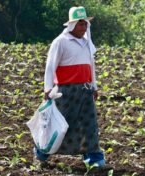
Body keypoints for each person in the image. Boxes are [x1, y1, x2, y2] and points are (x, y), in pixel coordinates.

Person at [34, 6, 105, 167]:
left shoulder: (86, 43)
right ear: (72, 25)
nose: (84, 27)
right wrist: (47, 87)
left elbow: (90, 65)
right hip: (65, 91)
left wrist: (94, 86)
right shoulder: (60, 42)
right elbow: (50, 66)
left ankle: (94, 158)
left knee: (90, 124)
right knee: (58, 124)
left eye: (85, 24)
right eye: (80, 24)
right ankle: (41, 154)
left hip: (85, 90)